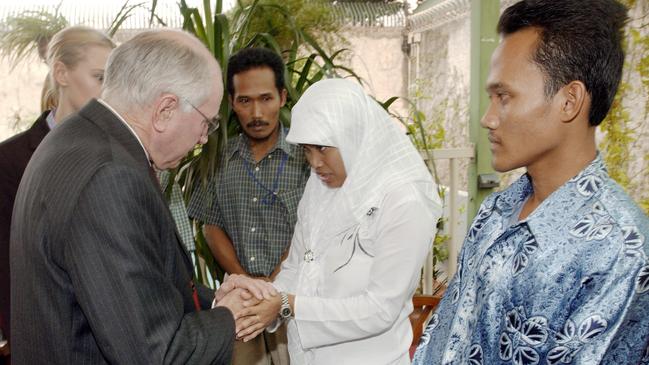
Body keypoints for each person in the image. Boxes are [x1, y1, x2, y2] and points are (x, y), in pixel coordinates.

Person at [10, 29, 275, 364]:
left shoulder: (75, 135)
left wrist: (212, 301)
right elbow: (155, 354)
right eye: (205, 123)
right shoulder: (110, 177)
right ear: (165, 110)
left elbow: (130, 293)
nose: (203, 140)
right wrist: (229, 317)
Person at [412, 1, 649, 364]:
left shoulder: (621, 252)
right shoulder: (496, 211)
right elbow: (444, 335)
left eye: (503, 97)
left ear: (569, 101)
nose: (488, 119)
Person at [234, 78, 443, 364]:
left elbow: (381, 309)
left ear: (354, 135)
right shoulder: (319, 188)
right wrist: (262, 302)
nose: (315, 162)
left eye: (322, 148)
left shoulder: (404, 201)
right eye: (307, 150)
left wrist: (288, 305)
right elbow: (296, 267)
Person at [188, 47, 310, 365]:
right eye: (245, 101)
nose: (256, 113)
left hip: (295, 301)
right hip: (240, 303)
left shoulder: (308, 158)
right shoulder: (215, 160)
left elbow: (313, 227)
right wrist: (246, 282)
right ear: (232, 103)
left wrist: (274, 284)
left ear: (282, 97)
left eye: (266, 98)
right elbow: (211, 225)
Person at [0, 26, 115, 357]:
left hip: (108, 338)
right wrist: (15, 337)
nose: (107, 91)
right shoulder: (9, 160)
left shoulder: (117, 155)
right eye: (99, 77)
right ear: (61, 73)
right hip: (41, 339)